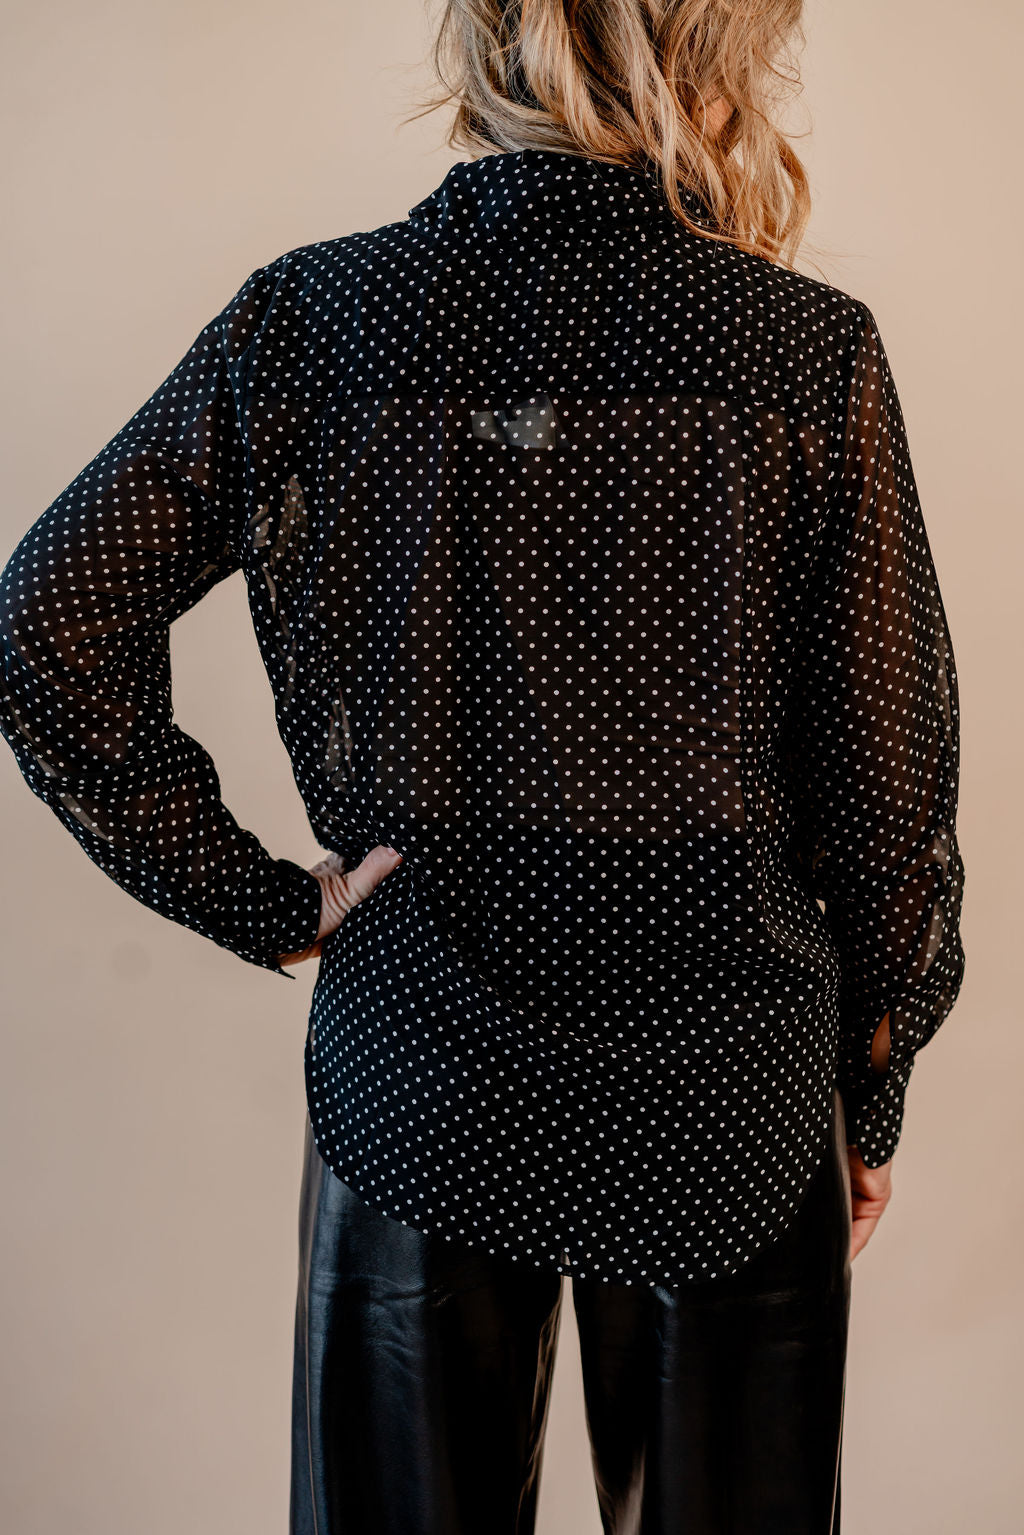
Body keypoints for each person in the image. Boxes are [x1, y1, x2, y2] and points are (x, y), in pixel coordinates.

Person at [0, 1, 966, 1530]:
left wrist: (275, 906)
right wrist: (874, 1084)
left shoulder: (313, 320)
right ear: (714, 64)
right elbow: (888, 793)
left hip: (418, 1077)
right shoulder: (800, 349)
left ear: (493, 46)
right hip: (732, 1100)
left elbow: (45, 626)